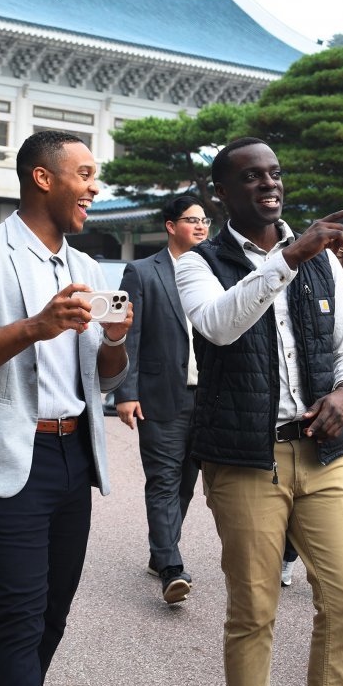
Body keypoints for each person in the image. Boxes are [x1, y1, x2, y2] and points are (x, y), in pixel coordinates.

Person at [0, 130, 131, 686]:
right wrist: (33, 327)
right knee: (16, 617)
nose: (95, 188)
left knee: (51, 615)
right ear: (44, 178)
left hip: (74, 460)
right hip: (5, 456)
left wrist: (115, 340)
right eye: (85, 175)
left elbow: (106, 377)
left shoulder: (87, 265)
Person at [175, 137, 343, 686]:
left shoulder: (326, 262)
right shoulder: (197, 264)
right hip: (243, 460)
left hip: (322, 452)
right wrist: (288, 258)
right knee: (254, 611)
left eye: (275, 174)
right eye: (252, 176)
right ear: (222, 192)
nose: (269, 184)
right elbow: (220, 326)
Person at [115, 195, 209, 604]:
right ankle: (171, 565)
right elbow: (126, 335)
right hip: (159, 395)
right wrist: (125, 392)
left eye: (205, 220)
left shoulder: (213, 271)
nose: (202, 226)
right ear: (171, 225)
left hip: (206, 397)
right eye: (192, 220)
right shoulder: (140, 271)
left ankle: (160, 551)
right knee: (164, 481)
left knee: (187, 483)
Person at [282, 212, 343, 588]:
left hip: (332, 430)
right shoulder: (297, 266)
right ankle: (286, 555)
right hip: (264, 441)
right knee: (254, 606)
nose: (336, 249)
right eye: (330, 242)